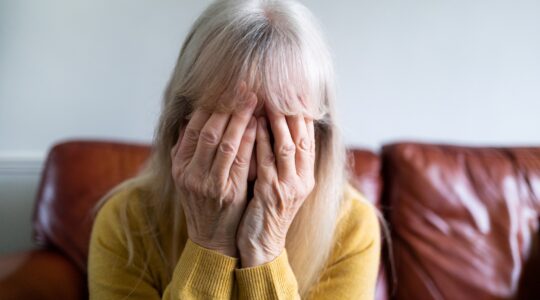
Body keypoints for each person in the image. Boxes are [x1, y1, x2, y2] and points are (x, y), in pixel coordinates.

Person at [88, 0, 381, 299]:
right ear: (182, 125)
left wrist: (265, 249)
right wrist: (209, 244)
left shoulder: (352, 228)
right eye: (230, 122)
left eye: (276, 125)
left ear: (316, 135)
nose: (246, 149)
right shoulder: (125, 222)